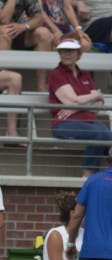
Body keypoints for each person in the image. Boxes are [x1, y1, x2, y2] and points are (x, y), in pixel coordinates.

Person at [48, 37, 112, 174]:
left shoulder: (85, 74)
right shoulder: (56, 73)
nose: (66, 54)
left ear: (79, 54)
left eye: (70, 51)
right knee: (99, 134)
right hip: (64, 123)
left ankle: (102, 174)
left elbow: (99, 104)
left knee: (108, 135)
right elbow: (73, 101)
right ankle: (88, 174)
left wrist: (78, 105)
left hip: (89, 121)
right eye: (63, 51)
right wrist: (95, 95)